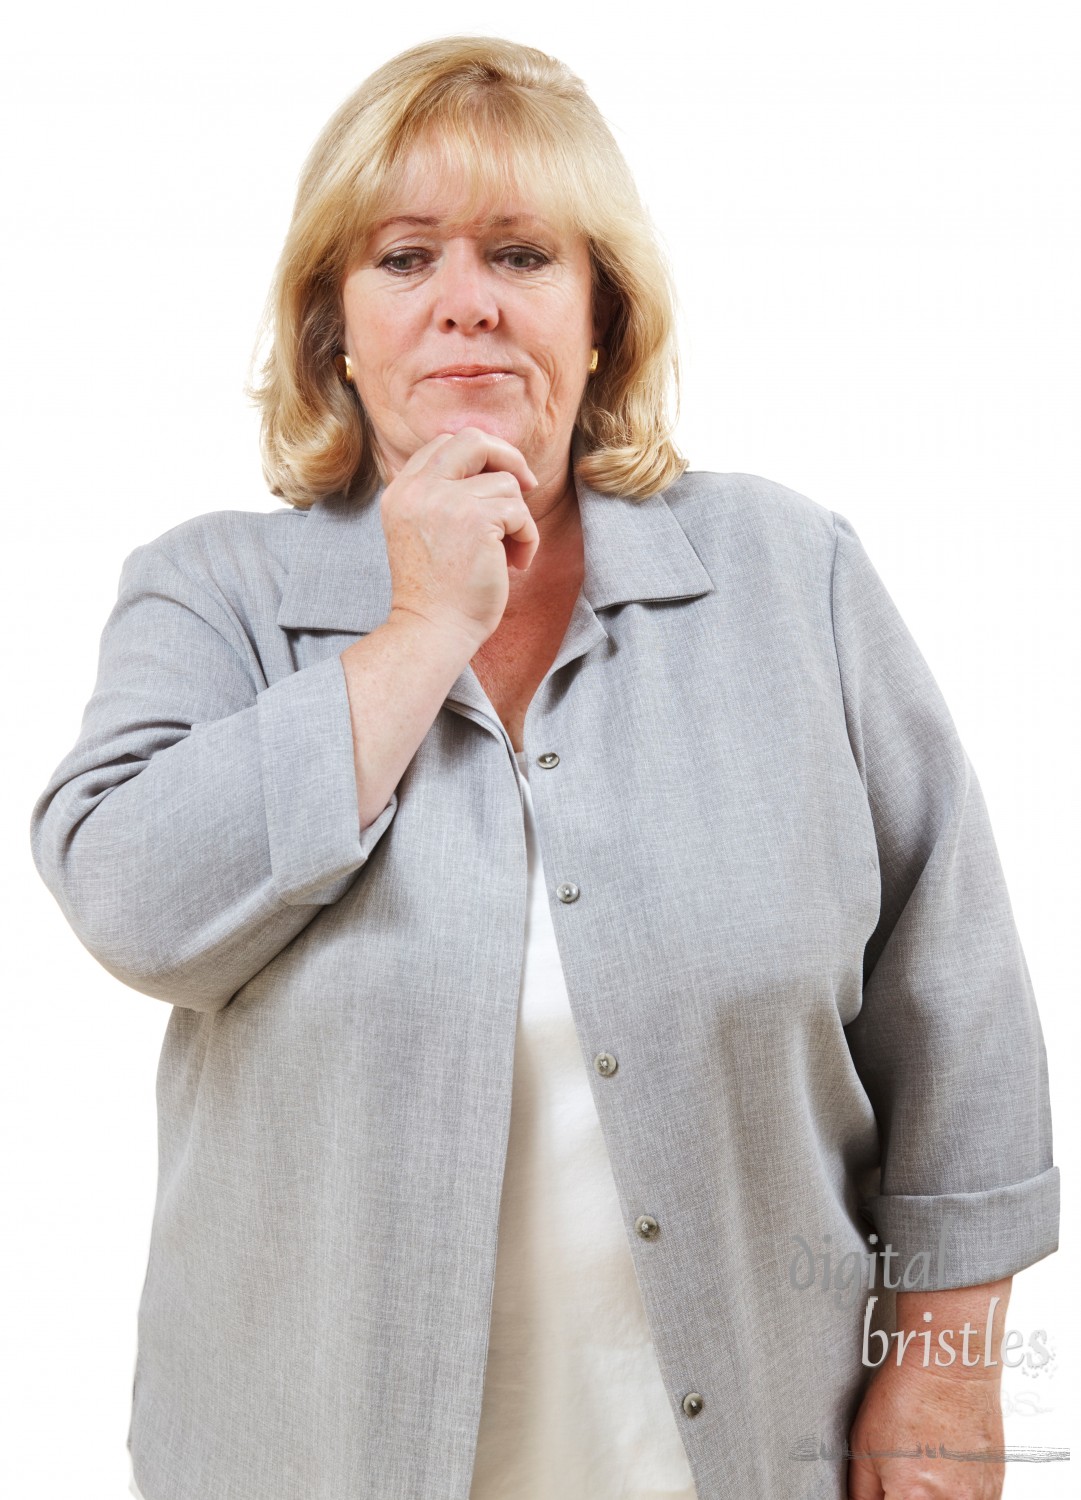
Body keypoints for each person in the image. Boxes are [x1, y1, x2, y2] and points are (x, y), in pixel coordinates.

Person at [28, 34, 1058, 1500]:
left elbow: (956, 1008)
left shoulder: (787, 575)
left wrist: (945, 1377)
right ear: (332, 325)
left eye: (520, 253)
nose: (465, 304)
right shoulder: (213, 596)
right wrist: (418, 625)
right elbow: (129, 901)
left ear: (599, 321)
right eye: (401, 260)